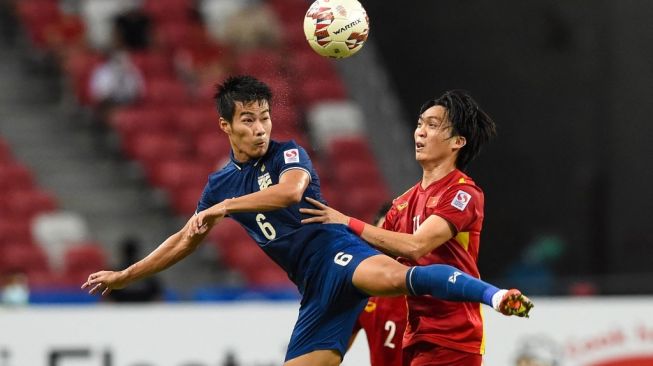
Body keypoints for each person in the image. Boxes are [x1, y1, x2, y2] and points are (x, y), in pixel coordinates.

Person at [82, 76, 532, 366]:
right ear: (225, 126)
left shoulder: (288, 153)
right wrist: (126, 275)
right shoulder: (219, 185)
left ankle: (494, 296)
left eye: (265, 118)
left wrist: (223, 209)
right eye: (248, 121)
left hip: (337, 254)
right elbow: (184, 239)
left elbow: (291, 192)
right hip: (315, 291)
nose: (260, 128)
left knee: (400, 276)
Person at [301, 90, 533, 366]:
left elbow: (416, 245)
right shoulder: (402, 203)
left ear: (458, 142)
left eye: (433, 126)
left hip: (453, 336)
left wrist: (346, 221)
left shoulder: (463, 194)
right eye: (420, 123)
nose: (420, 132)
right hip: (415, 335)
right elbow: (369, 256)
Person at [349, 202, 407, 366]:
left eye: (395, 235)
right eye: (383, 237)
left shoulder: (429, 291)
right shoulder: (362, 291)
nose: (388, 245)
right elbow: (333, 348)